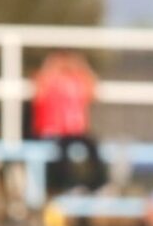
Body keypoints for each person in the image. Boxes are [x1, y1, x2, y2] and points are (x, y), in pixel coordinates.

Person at [31, 51, 107, 194]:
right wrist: (52, 64)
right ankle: (64, 186)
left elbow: (94, 90)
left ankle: (97, 184)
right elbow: (39, 89)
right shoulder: (50, 80)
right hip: (53, 132)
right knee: (62, 152)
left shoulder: (77, 81)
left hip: (76, 132)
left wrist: (81, 65)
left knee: (93, 146)